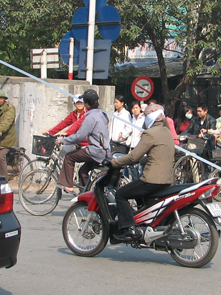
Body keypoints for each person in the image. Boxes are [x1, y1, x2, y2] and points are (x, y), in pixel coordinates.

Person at [109, 103, 175, 241]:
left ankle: (128, 228)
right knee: (137, 193)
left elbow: (133, 157)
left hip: (152, 179)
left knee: (121, 194)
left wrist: (113, 162)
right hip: (168, 179)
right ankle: (142, 223)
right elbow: (157, 154)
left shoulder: (150, 134)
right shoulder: (167, 132)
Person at [56, 89, 110, 194]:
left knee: (69, 157)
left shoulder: (90, 117)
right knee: (83, 172)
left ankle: (68, 185)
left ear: (86, 103)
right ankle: (86, 194)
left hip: (95, 151)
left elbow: (79, 136)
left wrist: (62, 140)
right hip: (105, 149)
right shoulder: (102, 114)